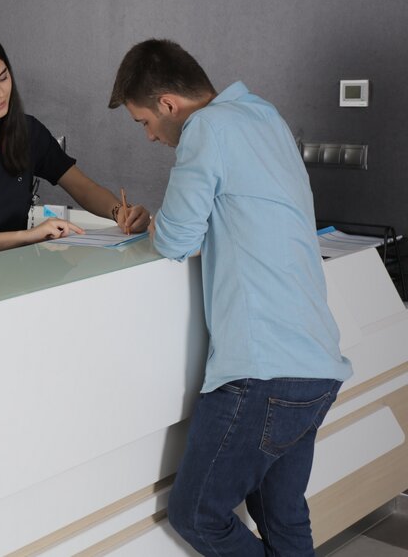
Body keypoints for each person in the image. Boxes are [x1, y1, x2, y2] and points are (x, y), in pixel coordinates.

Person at [108, 39, 352, 556]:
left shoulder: (206, 129)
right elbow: (231, 220)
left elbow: (175, 241)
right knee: (283, 518)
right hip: (316, 365)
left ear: (168, 104)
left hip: (261, 373)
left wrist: (153, 224)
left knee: (197, 514)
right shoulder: (263, 115)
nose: (149, 136)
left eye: (144, 122)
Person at [0, 25, 149, 254]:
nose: (0, 93)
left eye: (3, 77)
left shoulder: (28, 132)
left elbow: (83, 187)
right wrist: (28, 236)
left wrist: (120, 211)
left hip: (13, 269)